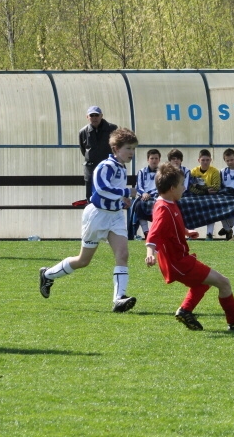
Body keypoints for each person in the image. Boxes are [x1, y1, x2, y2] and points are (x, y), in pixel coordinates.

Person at [144, 164, 234, 332]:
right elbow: (154, 232)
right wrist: (150, 253)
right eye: (182, 184)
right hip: (178, 262)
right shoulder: (163, 208)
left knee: (203, 284)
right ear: (172, 188)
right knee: (224, 283)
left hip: (179, 260)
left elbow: (171, 225)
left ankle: (185, 311)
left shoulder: (167, 202)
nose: (185, 187)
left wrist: (186, 232)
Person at [40, 128, 138, 313]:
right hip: (97, 216)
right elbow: (101, 189)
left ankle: (119, 299)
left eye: (133, 148)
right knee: (84, 260)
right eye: (128, 148)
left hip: (115, 216)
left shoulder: (121, 167)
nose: (132, 152)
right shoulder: (105, 166)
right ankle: (47, 274)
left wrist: (123, 200)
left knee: (123, 254)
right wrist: (126, 192)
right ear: (116, 149)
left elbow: (113, 191)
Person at [79, 106, 118, 200]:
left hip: (108, 167)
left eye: (96, 115)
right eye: (91, 115)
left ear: (101, 116)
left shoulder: (112, 129)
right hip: (91, 168)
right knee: (91, 197)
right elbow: (84, 150)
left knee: (109, 194)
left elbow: (117, 147)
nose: (94, 117)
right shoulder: (83, 132)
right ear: (87, 117)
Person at [189, 149, 221, 240]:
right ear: (198, 160)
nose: (205, 162)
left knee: (212, 207)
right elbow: (190, 187)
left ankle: (209, 234)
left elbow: (216, 187)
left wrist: (198, 186)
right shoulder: (194, 171)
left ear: (211, 160)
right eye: (203, 160)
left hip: (211, 197)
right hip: (197, 196)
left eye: (207, 160)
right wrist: (205, 191)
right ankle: (191, 233)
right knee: (191, 207)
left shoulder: (214, 171)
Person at [134, 149, 161, 240]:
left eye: (156, 158)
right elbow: (139, 186)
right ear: (148, 160)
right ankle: (146, 232)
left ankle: (157, 232)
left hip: (157, 196)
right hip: (144, 196)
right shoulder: (142, 171)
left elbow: (160, 186)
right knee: (138, 205)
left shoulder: (162, 172)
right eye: (152, 158)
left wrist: (150, 194)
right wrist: (144, 193)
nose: (154, 160)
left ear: (159, 160)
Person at [219, 148, 234, 241]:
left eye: (232, 159)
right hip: (226, 196)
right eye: (227, 160)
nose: (230, 162)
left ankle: (227, 228)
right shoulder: (222, 171)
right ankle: (228, 229)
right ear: (224, 160)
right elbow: (220, 186)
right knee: (218, 205)